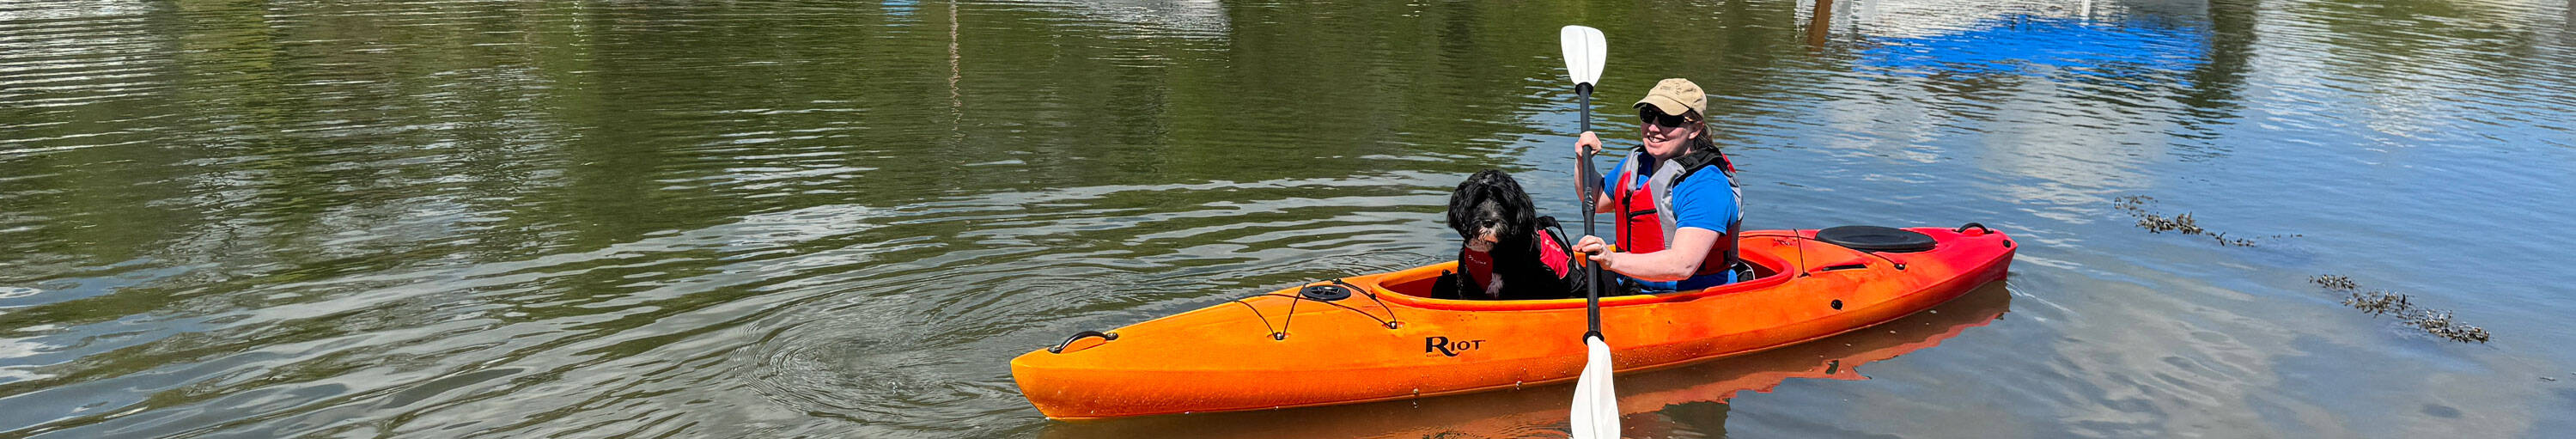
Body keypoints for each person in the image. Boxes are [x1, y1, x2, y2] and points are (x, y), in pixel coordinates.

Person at [1570, 78, 1744, 292]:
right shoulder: (1639, 162)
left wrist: (1611, 260)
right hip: (1630, 284)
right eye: (1647, 115)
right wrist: (1582, 160)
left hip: (1686, 297)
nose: (1653, 127)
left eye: (1667, 119)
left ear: (1695, 128)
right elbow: (1596, 201)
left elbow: (1683, 264)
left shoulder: (1706, 185)